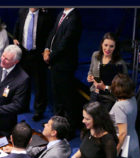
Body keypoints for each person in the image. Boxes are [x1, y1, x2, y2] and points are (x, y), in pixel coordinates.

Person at [43, 8, 82, 139]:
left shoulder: (75, 18)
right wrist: (47, 49)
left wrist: (50, 57)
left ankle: (69, 131)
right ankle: (56, 127)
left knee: (67, 99)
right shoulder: (61, 14)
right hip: (55, 64)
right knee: (57, 97)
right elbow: (53, 34)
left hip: (65, 65)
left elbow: (66, 43)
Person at [13, 8, 53, 121]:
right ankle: (23, 106)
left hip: (38, 55)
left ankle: (39, 111)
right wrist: (15, 37)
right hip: (24, 53)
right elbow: (18, 25)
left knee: (40, 84)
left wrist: (46, 49)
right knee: (23, 82)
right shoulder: (22, 11)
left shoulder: (45, 17)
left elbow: (50, 35)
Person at [110, 74, 140, 158]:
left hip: (124, 145)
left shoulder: (119, 106)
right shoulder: (132, 100)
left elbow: (122, 133)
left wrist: (114, 152)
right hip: (133, 140)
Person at [87, 32, 128, 111]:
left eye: (111, 46)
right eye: (105, 45)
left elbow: (122, 89)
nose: (108, 49)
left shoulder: (119, 63)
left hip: (109, 98)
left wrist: (104, 87)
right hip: (94, 94)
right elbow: (90, 72)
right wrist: (90, 77)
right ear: (102, 44)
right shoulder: (95, 55)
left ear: (115, 47)